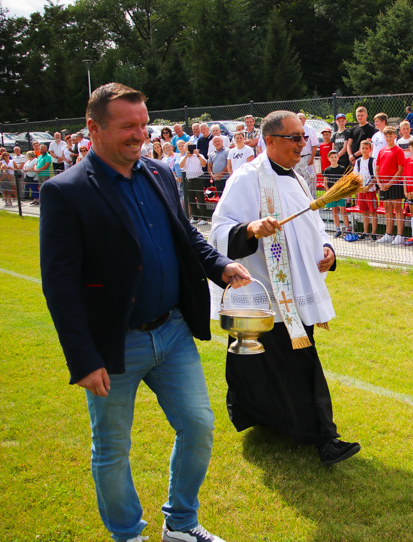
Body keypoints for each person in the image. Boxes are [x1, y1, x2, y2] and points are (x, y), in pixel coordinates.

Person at [39, 82, 251, 542]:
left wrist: (222, 265)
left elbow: (187, 239)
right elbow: (60, 285)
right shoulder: (66, 191)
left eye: (144, 125)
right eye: (127, 127)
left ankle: (180, 523)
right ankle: (126, 534)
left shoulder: (159, 173)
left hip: (173, 332)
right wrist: (83, 358)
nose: (140, 135)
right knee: (112, 448)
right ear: (93, 128)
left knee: (198, 426)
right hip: (114, 345)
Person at [209, 110, 360, 467]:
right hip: (264, 294)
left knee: (276, 365)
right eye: (295, 137)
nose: (302, 144)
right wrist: (249, 229)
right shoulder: (247, 179)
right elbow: (218, 232)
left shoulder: (296, 178)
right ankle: (325, 438)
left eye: (304, 137)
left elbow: (313, 226)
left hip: (293, 293)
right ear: (270, 140)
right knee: (287, 364)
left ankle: (271, 420)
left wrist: (328, 250)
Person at [375, 126, 406, 245]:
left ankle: (400, 235)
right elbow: (377, 169)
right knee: (387, 208)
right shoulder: (382, 151)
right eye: (386, 136)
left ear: (395, 136)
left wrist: (389, 183)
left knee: (398, 209)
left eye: (390, 136)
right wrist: (379, 183)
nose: (388, 138)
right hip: (382, 185)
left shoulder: (398, 151)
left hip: (395, 184)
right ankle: (388, 234)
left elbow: (400, 170)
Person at [352, 139, 378, 240]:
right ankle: (365, 231)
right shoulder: (358, 162)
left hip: (370, 191)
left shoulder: (373, 161)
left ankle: (374, 232)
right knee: (365, 211)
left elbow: (375, 177)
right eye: (363, 148)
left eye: (366, 148)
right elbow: (356, 176)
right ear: (360, 149)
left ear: (370, 149)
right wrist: (360, 187)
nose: (364, 150)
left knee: (373, 211)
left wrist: (368, 187)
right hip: (362, 190)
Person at [323, 150, 350, 237]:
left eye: (335, 157)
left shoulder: (342, 169)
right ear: (329, 159)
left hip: (340, 193)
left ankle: (347, 229)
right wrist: (329, 193)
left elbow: (344, 181)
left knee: (343, 210)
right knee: (334, 211)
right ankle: (337, 229)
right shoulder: (327, 170)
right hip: (332, 193)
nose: (334, 159)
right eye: (332, 157)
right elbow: (325, 183)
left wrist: (341, 192)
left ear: (338, 158)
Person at [295, 113, 319, 197]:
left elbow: (315, 145)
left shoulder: (309, 130)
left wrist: (312, 158)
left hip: (307, 157)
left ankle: (312, 200)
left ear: (305, 119)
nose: (300, 120)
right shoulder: (293, 130)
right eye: (298, 118)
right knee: (298, 180)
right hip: (297, 158)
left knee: (310, 180)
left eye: (301, 118)